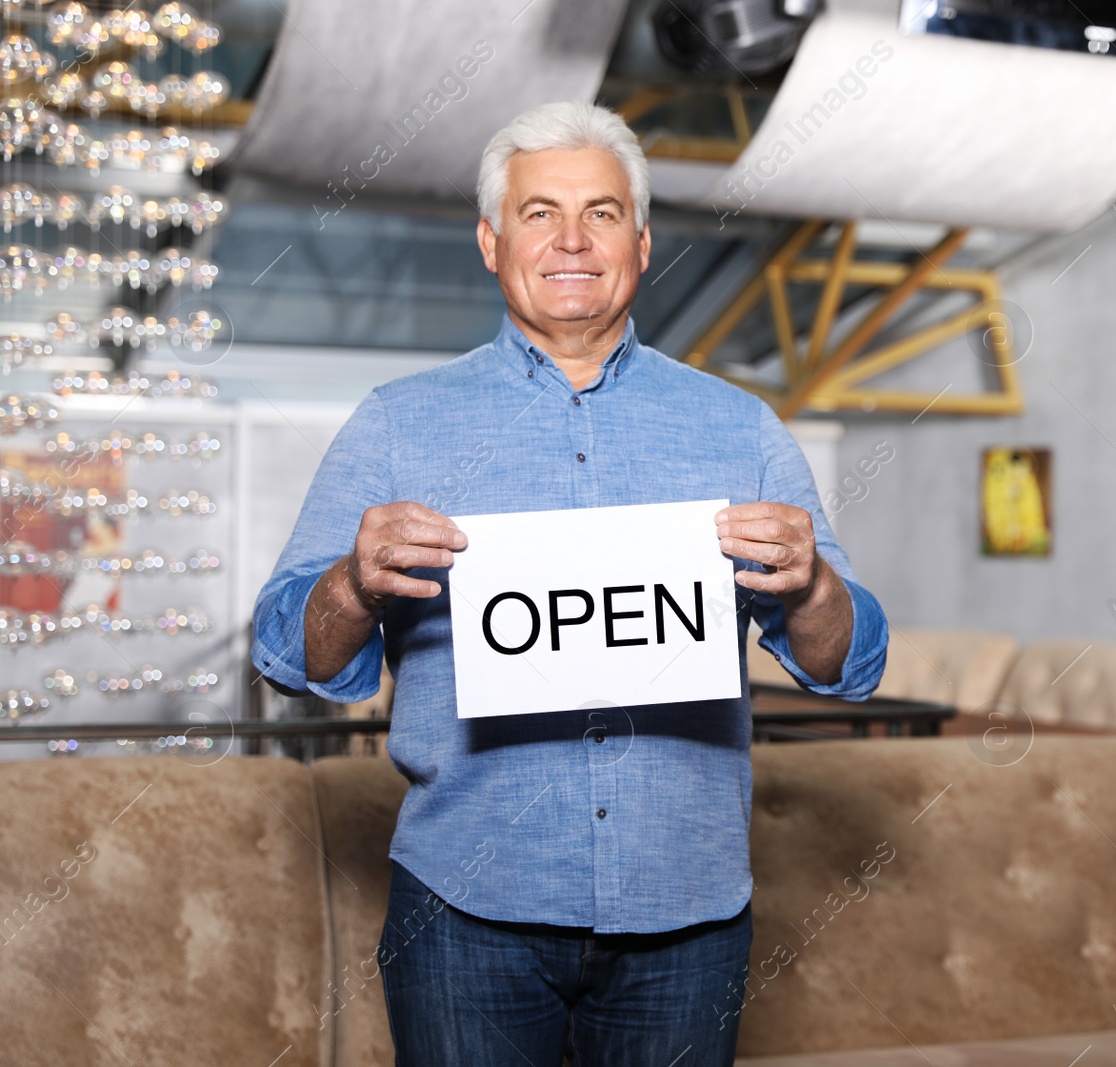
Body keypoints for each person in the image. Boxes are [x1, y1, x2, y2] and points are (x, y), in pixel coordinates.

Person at [251, 101, 888, 1066]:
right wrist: (352, 583)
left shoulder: (742, 428)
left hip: (691, 912)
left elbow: (853, 662)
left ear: (639, 241)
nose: (571, 239)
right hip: (465, 909)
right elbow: (285, 653)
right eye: (539, 212)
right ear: (490, 240)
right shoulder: (396, 425)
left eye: (599, 212)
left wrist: (811, 590)